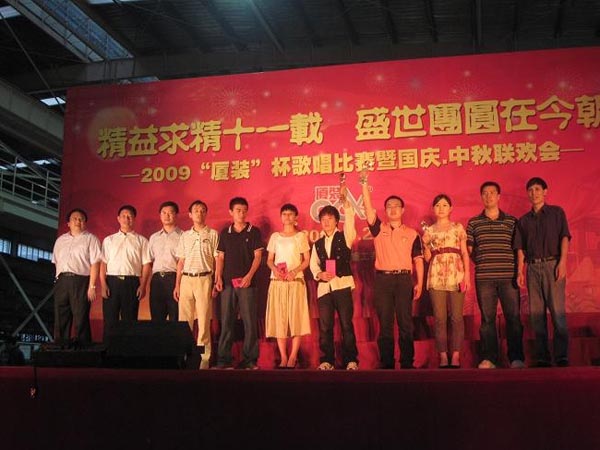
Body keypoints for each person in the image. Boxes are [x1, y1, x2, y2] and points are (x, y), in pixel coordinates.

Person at [361, 170, 424, 369]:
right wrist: (364, 183)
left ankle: (407, 363)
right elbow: (368, 207)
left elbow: (418, 260)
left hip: (404, 280)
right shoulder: (379, 229)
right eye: (389, 206)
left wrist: (419, 283)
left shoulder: (412, 233)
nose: (393, 209)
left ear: (403, 210)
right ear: (385, 211)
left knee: (405, 323)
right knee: (385, 323)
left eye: (397, 206)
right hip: (383, 280)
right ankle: (387, 362)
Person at [514, 177, 571, 367]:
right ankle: (542, 357)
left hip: (552, 265)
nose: (534, 193)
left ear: (545, 192)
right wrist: (520, 271)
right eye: (530, 190)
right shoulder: (523, 220)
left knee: (557, 313)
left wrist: (562, 262)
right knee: (536, 315)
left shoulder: (556, 213)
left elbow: (564, 237)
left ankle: (561, 356)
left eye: (537, 189)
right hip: (532, 268)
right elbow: (520, 248)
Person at [467, 182, 525, 369]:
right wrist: (483, 261)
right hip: (484, 278)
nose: (488, 196)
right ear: (481, 197)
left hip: (509, 277)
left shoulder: (512, 221)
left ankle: (516, 358)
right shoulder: (474, 223)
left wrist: (518, 271)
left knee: (513, 318)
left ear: (499, 196)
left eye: (492, 193)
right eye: (485, 193)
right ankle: (489, 358)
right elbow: (470, 249)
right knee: (487, 320)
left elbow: (518, 249)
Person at [310, 181, 359, 371]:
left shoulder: (345, 236)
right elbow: (313, 265)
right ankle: (327, 360)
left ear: (336, 221)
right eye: (323, 219)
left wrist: (345, 201)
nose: (326, 222)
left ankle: (351, 360)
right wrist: (319, 274)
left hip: (342, 285)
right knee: (325, 327)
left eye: (330, 218)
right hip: (324, 289)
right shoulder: (317, 243)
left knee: (346, 324)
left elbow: (351, 218)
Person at [214, 197, 264, 370]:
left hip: (247, 284)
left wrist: (249, 276)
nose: (241, 214)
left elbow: (258, 257)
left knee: (249, 322)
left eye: (244, 210)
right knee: (226, 321)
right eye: (237, 210)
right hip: (227, 284)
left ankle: (250, 360)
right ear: (231, 212)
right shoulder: (225, 233)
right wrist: (218, 277)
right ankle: (224, 360)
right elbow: (220, 257)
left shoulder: (254, 231)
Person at [422, 194, 470, 368]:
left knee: (456, 317)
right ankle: (443, 355)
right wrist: (426, 246)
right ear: (433, 209)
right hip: (436, 275)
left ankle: (456, 355)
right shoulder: (429, 231)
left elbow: (464, 252)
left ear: (451, 208)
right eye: (437, 205)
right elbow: (427, 258)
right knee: (440, 318)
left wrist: (467, 275)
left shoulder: (458, 228)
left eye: (444, 205)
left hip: (456, 273)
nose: (441, 208)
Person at [174, 200, 219, 369]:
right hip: (186, 279)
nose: (199, 213)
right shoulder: (185, 235)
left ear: (206, 214)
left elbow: (217, 258)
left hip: (204, 278)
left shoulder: (213, 234)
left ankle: (203, 358)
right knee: (184, 321)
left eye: (202, 210)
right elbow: (181, 261)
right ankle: (183, 355)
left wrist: (216, 280)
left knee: (203, 320)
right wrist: (177, 284)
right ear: (190, 215)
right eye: (196, 210)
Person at [265, 203, 311, 368]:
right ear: (280, 217)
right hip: (278, 282)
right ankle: (283, 357)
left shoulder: (301, 236)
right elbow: (269, 260)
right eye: (284, 214)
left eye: (290, 214)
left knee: (296, 318)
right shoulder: (275, 237)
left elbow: (306, 260)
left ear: (296, 217)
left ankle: (293, 357)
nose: (287, 217)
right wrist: (275, 270)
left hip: (295, 282)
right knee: (280, 319)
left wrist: (294, 271)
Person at [52, 208, 102, 347]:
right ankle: (61, 346)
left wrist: (92, 286)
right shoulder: (60, 240)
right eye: (74, 218)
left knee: (81, 316)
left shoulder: (91, 239)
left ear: (85, 223)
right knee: (61, 316)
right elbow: (56, 261)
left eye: (81, 219)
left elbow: (95, 263)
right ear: (68, 223)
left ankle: (83, 349)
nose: (78, 221)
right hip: (62, 280)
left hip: (80, 281)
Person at [100, 205, 151, 340]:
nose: (126, 219)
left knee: (130, 320)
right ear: (118, 218)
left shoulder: (142, 241)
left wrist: (143, 285)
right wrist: (103, 284)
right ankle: (108, 350)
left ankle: (127, 351)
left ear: (134, 219)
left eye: (129, 216)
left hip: (131, 283)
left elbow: (146, 265)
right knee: (110, 320)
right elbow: (103, 264)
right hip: (111, 282)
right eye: (123, 216)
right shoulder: (109, 240)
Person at [148, 201, 182, 322]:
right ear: (160, 215)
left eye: (170, 213)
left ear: (176, 215)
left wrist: (178, 284)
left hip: (174, 279)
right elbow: (150, 260)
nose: (167, 216)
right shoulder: (154, 237)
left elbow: (183, 262)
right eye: (164, 213)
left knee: (175, 317)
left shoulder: (183, 236)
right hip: (157, 280)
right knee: (156, 318)